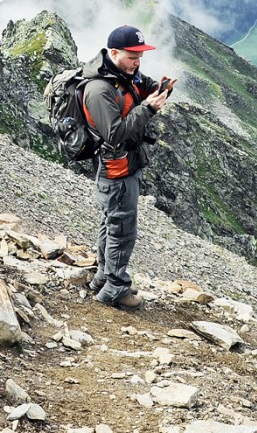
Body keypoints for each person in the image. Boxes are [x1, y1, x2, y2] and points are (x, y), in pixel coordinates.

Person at [82, 24, 173, 311]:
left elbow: (145, 87)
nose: (138, 62)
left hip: (126, 165)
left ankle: (104, 277)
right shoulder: (99, 89)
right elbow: (115, 133)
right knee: (122, 229)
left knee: (112, 223)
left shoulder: (125, 75)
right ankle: (116, 290)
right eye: (133, 56)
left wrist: (161, 90)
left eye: (140, 56)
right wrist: (148, 109)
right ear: (113, 53)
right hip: (116, 169)